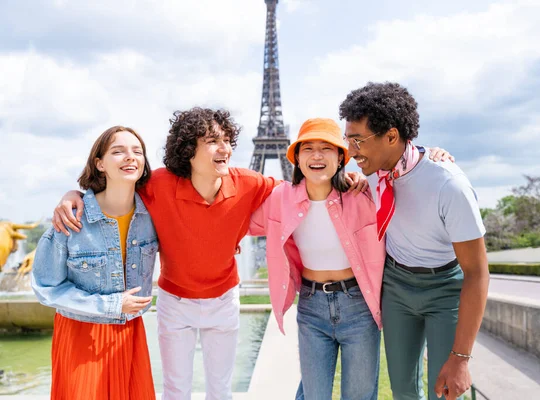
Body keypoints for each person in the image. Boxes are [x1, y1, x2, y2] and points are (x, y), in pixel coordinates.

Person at [50, 108, 368, 400]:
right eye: (213, 141)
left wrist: (345, 178)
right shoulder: (157, 184)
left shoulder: (248, 182)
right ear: (189, 150)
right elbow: (115, 187)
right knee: (176, 389)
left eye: (227, 141)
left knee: (220, 390)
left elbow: (301, 189)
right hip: (175, 302)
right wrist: (74, 194)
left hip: (223, 300)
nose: (225, 148)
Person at [248, 118, 454, 400]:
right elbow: (240, 219)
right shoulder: (280, 198)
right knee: (314, 395)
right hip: (311, 306)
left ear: (341, 157)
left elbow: (403, 169)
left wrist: (430, 153)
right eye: (308, 148)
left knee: (359, 395)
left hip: (358, 306)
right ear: (296, 157)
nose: (317, 155)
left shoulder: (363, 193)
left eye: (326, 148)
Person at [339, 82, 489, 400]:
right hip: (396, 286)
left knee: (445, 391)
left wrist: (461, 358)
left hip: (445, 289)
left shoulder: (449, 185)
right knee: (404, 391)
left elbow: (476, 272)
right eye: (347, 139)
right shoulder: (372, 170)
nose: (351, 152)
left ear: (391, 136)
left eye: (357, 141)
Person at [32, 126, 158, 400]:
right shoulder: (71, 219)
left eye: (137, 151)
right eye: (118, 151)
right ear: (99, 163)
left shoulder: (152, 215)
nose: (130, 157)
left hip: (129, 332)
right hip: (81, 335)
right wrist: (111, 305)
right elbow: (46, 287)